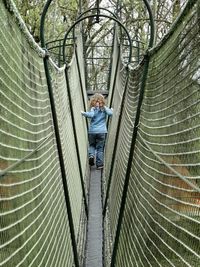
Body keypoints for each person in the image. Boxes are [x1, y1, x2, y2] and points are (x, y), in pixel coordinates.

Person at [81, 93, 113, 169]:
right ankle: (99, 165)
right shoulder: (104, 108)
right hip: (102, 132)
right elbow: (110, 113)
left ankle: (91, 155)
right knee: (100, 148)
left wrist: (83, 113)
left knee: (92, 145)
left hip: (92, 131)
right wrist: (110, 109)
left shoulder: (93, 108)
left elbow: (91, 115)